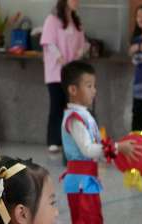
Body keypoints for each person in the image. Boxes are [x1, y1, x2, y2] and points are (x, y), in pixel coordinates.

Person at [59, 61, 140, 224]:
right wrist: (116, 148)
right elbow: (87, 149)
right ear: (73, 90)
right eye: (89, 85)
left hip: (89, 179)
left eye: (94, 85)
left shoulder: (85, 115)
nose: (94, 90)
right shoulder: (75, 118)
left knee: (94, 223)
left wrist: (114, 154)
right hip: (80, 180)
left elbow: (97, 148)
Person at [41, 0, 86, 154]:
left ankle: (70, 140)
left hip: (71, 73)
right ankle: (53, 141)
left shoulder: (76, 21)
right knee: (56, 106)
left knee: (71, 108)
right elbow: (49, 43)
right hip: (56, 72)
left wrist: (80, 52)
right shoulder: (52, 20)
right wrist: (61, 58)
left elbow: (81, 42)